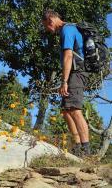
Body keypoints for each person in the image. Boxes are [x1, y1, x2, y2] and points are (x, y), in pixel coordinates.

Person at [42, 9, 90, 156]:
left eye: (46, 26)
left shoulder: (67, 30)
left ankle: (86, 150)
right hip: (73, 73)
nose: (48, 30)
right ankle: (77, 147)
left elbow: (68, 56)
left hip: (77, 72)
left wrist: (64, 81)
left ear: (51, 20)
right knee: (65, 110)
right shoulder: (67, 29)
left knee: (75, 109)